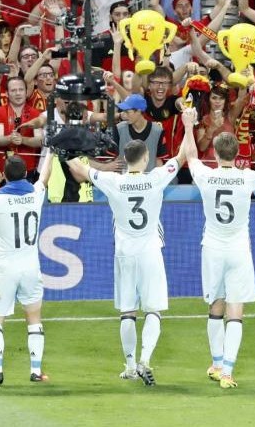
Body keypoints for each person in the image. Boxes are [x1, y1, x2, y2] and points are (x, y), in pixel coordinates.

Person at [66, 136, 183, 386]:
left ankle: (130, 367)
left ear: (126, 160)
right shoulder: (155, 178)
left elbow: (79, 168)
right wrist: (187, 123)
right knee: (153, 310)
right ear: (146, 158)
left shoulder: (113, 181)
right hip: (150, 250)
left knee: (127, 311)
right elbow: (184, 155)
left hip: (124, 252)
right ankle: (145, 360)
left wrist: (62, 149)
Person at [183, 114, 255, 389]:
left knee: (215, 306)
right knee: (235, 310)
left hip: (213, 248)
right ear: (238, 153)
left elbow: (191, 156)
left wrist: (186, 124)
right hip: (239, 249)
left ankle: (217, 364)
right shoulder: (247, 178)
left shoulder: (206, 176)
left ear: (215, 154)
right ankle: (227, 371)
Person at [0, 154, 55, 386]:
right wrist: (51, 153)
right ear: (25, 174)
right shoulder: (35, 194)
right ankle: (36, 371)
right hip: (31, 267)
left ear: (3, 175)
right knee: (34, 318)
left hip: (5, 268)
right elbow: (44, 177)